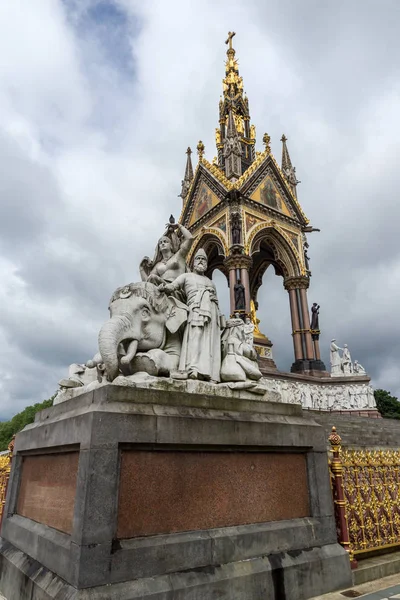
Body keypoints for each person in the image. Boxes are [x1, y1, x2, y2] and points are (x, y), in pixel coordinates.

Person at [159, 249, 221, 381]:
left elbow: (216, 300)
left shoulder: (211, 282)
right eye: (198, 258)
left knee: (209, 341)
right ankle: (192, 367)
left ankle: (207, 371)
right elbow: (173, 286)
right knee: (196, 335)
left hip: (211, 312)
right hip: (196, 308)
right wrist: (164, 287)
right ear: (193, 262)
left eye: (203, 259)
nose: (200, 261)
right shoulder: (186, 276)